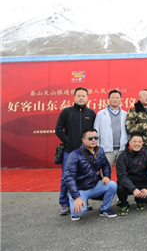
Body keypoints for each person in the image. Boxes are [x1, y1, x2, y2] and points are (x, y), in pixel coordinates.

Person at [55, 87, 96, 216]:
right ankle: (64, 203)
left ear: (87, 98)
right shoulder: (66, 112)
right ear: (74, 97)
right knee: (66, 178)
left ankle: (85, 201)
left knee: (86, 176)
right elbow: (58, 129)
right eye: (78, 96)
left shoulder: (91, 113)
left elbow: (95, 132)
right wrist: (69, 141)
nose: (81, 98)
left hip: (86, 152)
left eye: (83, 96)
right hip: (69, 151)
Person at [64, 129, 117, 220]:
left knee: (112, 185)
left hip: (94, 186)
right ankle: (73, 200)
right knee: (77, 214)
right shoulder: (74, 155)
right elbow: (69, 177)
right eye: (90, 138)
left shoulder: (100, 150)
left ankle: (104, 209)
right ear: (83, 139)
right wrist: (76, 197)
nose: (94, 140)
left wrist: (107, 176)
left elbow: (106, 165)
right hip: (80, 189)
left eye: (96, 138)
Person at [116, 134, 147, 215]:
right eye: (134, 141)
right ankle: (124, 204)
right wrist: (133, 189)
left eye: (139, 142)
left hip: (141, 182)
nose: (137, 144)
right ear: (129, 142)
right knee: (120, 187)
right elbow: (121, 176)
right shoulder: (122, 156)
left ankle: (139, 201)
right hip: (127, 184)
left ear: (142, 143)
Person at [94, 89, 129, 170]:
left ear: (121, 100)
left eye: (117, 98)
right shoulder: (100, 114)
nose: (115, 100)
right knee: (105, 173)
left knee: (123, 173)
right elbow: (96, 132)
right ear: (108, 100)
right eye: (113, 98)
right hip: (106, 150)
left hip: (122, 150)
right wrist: (97, 149)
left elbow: (129, 132)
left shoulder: (126, 114)